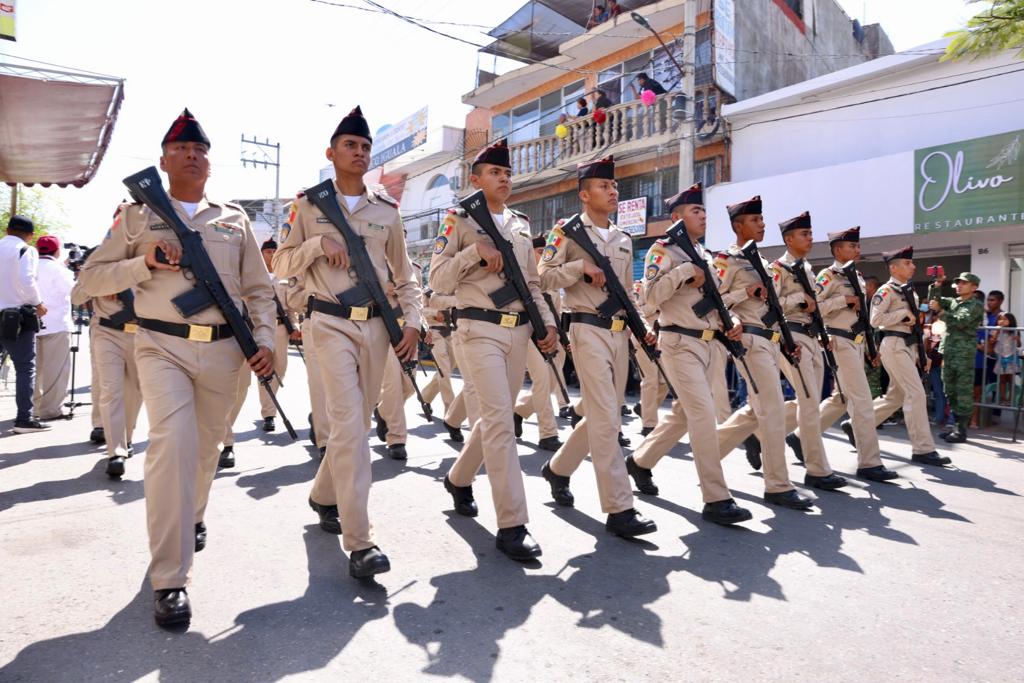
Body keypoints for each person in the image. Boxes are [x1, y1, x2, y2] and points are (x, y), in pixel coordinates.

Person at [78, 109, 276, 627]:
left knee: (206, 452)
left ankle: (192, 516)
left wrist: (266, 340)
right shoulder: (136, 216)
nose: (192, 155)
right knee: (172, 446)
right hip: (160, 346)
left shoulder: (233, 219)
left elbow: (259, 289)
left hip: (225, 352)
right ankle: (170, 578)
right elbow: (89, 281)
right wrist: (144, 262)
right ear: (163, 161)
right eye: (181, 149)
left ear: (209, 162)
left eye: (200, 150)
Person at [274, 106, 422, 578]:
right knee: (351, 427)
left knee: (351, 425)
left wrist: (414, 322)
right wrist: (317, 246)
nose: (358, 152)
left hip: (376, 326)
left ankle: (323, 494)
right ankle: (360, 542)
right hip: (328, 322)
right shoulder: (308, 206)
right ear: (331, 153)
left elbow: (405, 275)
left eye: (364, 147)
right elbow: (280, 264)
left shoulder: (386, 211)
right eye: (350, 146)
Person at [429, 138, 557, 560]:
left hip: (519, 331)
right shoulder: (459, 220)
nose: (504, 179)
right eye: (495, 173)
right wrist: (473, 253)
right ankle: (512, 524)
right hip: (479, 328)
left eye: (507, 173)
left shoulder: (520, 223)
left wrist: (548, 324)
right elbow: (438, 280)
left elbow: (533, 283)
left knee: (494, 418)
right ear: (475, 179)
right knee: (501, 421)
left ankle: (458, 478)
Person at [537, 155, 658, 538]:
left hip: (620, 332)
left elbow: (627, 293)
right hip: (587, 328)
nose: (613, 191)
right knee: (607, 416)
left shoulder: (622, 238)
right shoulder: (566, 232)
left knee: (603, 415)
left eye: (614, 186)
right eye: (604, 186)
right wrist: (580, 269)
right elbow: (543, 277)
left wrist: (643, 327)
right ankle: (620, 507)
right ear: (585, 195)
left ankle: (557, 469)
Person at [626, 184, 752, 524]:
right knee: (703, 414)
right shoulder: (662, 251)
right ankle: (716, 498)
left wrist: (732, 320)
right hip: (679, 343)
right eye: (696, 211)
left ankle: (639, 461)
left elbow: (716, 301)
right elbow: (649, 297)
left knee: (684, 415)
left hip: (709, 344)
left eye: (704, 211)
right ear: (676, 218)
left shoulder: (705, 255)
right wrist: (683, 273)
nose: (703, 216)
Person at [713, 196, 814, 511]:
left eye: (762, 219)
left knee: (758, 411)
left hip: (771, 341)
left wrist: (786, 341)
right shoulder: (727, 261)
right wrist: (744, 292)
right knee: (772, 410)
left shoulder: (764, 264)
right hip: (750, 341)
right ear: (738, 225)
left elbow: (775, 308)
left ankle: (706, 455)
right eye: (755, 220)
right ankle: (778, 485)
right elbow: (714, 302)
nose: (762, 224)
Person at [801, 227, 899, 482]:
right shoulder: (828, 276)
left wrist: (870, 348)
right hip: (839, 341)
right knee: (863, 401)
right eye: (852, 246)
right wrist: (842, 300)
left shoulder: (857, 276)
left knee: (841, 398)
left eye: (857, 245)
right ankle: (869, 462)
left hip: (857, 342)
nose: (858, 249)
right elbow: (813, 307)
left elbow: (862, 317)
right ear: (837, 250)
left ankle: (800, 437)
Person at [769, 213, 847, 491]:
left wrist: (823, 333)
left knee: (809, 402)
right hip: (793, 337)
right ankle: (817, 470)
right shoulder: (778, 269)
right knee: (810, 403)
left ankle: (756, 434)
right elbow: (771, 304)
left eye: (811, 233)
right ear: (789, 239)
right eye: (804, 234)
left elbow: (816, 306)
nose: (810, 238)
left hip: (812, 338)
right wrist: (799, 299)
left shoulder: (808, 269)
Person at [868, 246, 950, 467]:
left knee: (895, 397)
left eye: (912, 262)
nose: (913, 266)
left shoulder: (908, 290)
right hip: (894, 344)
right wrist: (902, 314)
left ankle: (858, 425)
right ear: (893, 268)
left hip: (907, 345)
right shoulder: (886, 291)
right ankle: (923, 449)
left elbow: (915, 325)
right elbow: (875, 320)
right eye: (907, 263)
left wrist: (922, 354)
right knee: (916, 394)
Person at [70, 279, 142, 478]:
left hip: (141, 333)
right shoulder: (100, 264)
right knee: (111, 389)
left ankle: (127, 438)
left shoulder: (150, 262)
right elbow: (76, 297)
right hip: (107, 331)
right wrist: (102, 283)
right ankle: (116, 451)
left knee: (135, 391)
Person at [512, 235, 565, 453]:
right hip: (526, 331)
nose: (543, 256)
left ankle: (519, 412)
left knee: (551, 381)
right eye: (539, 252)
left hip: (550, 335)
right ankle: (548, 433)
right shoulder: (521, 273)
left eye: (546, 252)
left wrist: (559, 335)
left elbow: (557, 311)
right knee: (542, 377)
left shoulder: (549, 278)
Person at [0, 215, 50, 433]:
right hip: (16, 316)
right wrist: (38, 303)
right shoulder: (26, 250)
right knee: (24, 367)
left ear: (7, 230)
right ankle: (24, 419)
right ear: (30, 235)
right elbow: (26, 279)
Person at [928, 272, 985, 443]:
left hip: (963, 354)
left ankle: (961, 430)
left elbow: (960, 321)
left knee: (963, 392)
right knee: (950, 390)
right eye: (958, 283)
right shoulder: (954, 302)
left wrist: (941, 312)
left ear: (974, 287)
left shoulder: (975, 305)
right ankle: (955, 427)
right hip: (949, 352)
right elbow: (935, 301)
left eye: (964, 283)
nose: (959, 285)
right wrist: (937, 286)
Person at [32, 235, 75, 420]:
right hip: (56, 324)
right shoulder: (59, 269)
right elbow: (74, 292)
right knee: (56, 370)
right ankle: (50, 410)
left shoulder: (29, 265)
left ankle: (32, 409)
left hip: (31, 325)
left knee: (33, 370)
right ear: (57, 251)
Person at [993, 313, 1020, 405]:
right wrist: (996, 332)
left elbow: (1019, 345)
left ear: (1011, 321)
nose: (1002, 321)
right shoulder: (996, 330)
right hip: (1001, 358)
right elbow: (992, 340)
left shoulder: (1014, 331)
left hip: (1011, 358)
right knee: (1002, 380)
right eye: (1000, 319)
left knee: (1011, 380)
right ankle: (1003, 399)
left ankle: (1010, 399)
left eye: (1005, 319)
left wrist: (1018, 339)